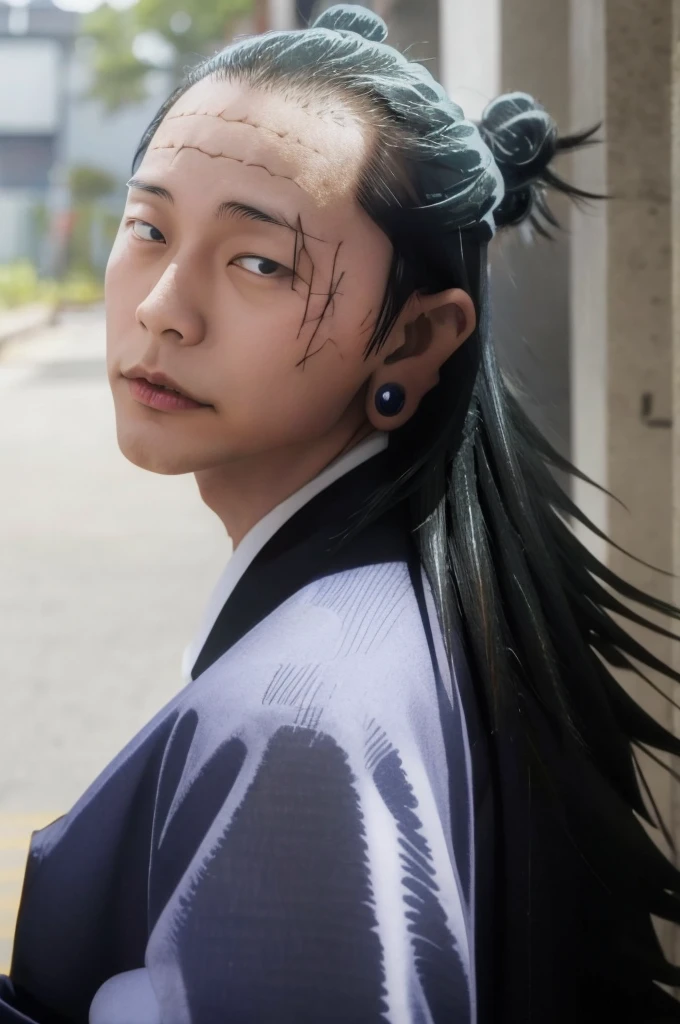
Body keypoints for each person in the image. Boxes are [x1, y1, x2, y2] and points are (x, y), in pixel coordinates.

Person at [2, 5, 679, 1022]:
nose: (161, 308)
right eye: (147, 229)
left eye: (257, 262)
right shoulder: (393, 618)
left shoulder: (299, 728)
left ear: (412, 340)